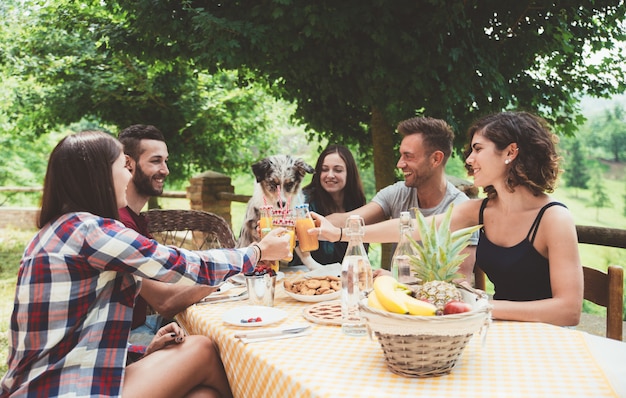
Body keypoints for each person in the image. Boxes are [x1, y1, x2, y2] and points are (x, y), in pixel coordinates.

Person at [0, 130, 291, 397]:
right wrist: (257, 251)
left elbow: (71, 338)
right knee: (202, 348)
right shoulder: (89, 231)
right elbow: (179, 265)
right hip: (63, 390)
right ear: (99, 175)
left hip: (57, 380)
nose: (128, 177)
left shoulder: (58, 231)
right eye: (123, 167)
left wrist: (143, 349)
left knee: (204, 394)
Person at [313, 111, 583, 327]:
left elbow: (568, 310)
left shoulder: (553, 218)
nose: (469, 159)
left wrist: (481, 306)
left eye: (478, 149)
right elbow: (412, 228)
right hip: (499, 329)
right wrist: (339, 234)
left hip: (548, 340)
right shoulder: (479, 210)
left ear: (510, 153)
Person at [325, 117, 477, 280]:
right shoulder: (398, 192)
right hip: (392, 298)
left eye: (408, 156)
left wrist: (397, 279)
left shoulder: (460, 208)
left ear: (435, 159)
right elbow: (351, 219)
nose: (399, 164)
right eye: (401, 155)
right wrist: (311, 225)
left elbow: (460, 281)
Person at [117, 124, 218, 350]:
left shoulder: (136, 219)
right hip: (129, 337)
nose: (165, 170)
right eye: (156, 161)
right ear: (128, 164)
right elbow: (165, 301)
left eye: (166, 160)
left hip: (146, 323)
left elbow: (167, 277)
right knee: (212, 348)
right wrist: (226, 274)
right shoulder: (121, 224)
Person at [294, 144, 367, 266]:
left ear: (350, 173)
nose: (330, 175)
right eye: (324, 169)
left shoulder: (357, 203)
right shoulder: (303, 202)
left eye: (338, 170)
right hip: (306, 276)